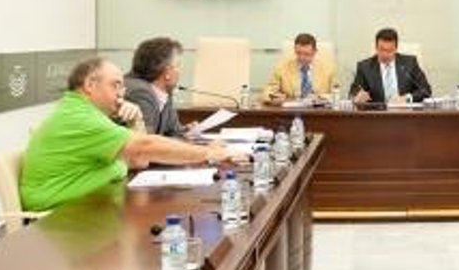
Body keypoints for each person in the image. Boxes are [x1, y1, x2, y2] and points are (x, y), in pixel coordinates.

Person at [20, 57, 237, 211]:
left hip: (93, 203)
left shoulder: (85, 111)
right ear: (89, 85)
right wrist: (208, 153)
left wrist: (136, 120)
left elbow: (139, 161)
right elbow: (144, 148)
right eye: (115, 86)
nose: (121, 95)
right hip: (61, 216)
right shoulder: (79, 117)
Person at [349, 28, 432, 104]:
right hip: (377, 113)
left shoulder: (409, 63)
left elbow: (426, 90)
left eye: (390, 51)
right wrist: (357, 97)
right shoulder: (365, 67)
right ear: (376, 48)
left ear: (396, 48)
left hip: (405, 112)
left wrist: (407, 98)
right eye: (382, 50)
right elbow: (353, 92)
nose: (385, 54)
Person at [124, 36, 186, 137]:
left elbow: (173, 131)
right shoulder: (140, 93)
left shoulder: (165, 92)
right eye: (178, 65)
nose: (180, 71)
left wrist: (185, 131)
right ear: (167, 73)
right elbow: (146, 141)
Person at [264, 32, 335, 104]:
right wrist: (274, 98)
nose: (302, 58)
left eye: (306, 54)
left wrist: (324, 97)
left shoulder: (328, 68)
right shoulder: (282, 68)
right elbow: (267, 93)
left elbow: (335, 94)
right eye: (298, 53)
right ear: (294, 50)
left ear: (314, 52)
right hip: (291, 109)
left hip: (318, 109)